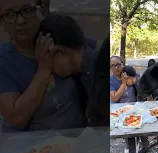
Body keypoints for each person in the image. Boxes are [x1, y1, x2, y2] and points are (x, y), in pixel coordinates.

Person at [0, 0, 96, 132]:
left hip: (78, 142)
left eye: (27, 10)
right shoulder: (4, 60)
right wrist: (44, 69)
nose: (20, 21)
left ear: (42, 9)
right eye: (9, 14)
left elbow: (95, 52)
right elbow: (16, 118)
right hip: (30, 148)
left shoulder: (59, 35)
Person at [110, 56, 149, 153]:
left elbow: (142, 85)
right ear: (110, 68)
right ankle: (129, 147)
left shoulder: (130, 74)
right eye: (113, 65)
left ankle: (144, 143)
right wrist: (123, 83)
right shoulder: (111, 80)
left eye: (118, 64)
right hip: (119, 110)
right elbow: (115, 97)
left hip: (135, 107)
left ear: (122, 64)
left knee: (142, 124)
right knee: (127, 127)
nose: (116, 67)